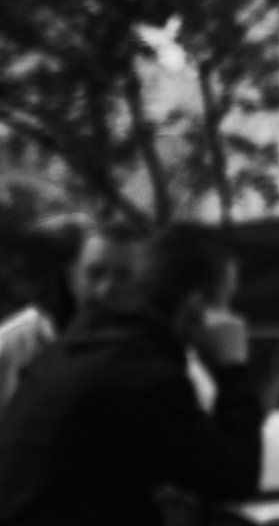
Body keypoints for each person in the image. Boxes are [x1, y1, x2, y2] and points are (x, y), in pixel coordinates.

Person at [0, 223, 261, 526]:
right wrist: (233, 367)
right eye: (223, 302)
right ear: (197, 304)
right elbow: (235, 478)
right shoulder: (141, 375)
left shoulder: (74, 352)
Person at [0, 217, 139, 415]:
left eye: (123, 276)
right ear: (72, 277)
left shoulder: (153, 354)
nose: (106, 289)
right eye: (95, 274)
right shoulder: (14, 346)